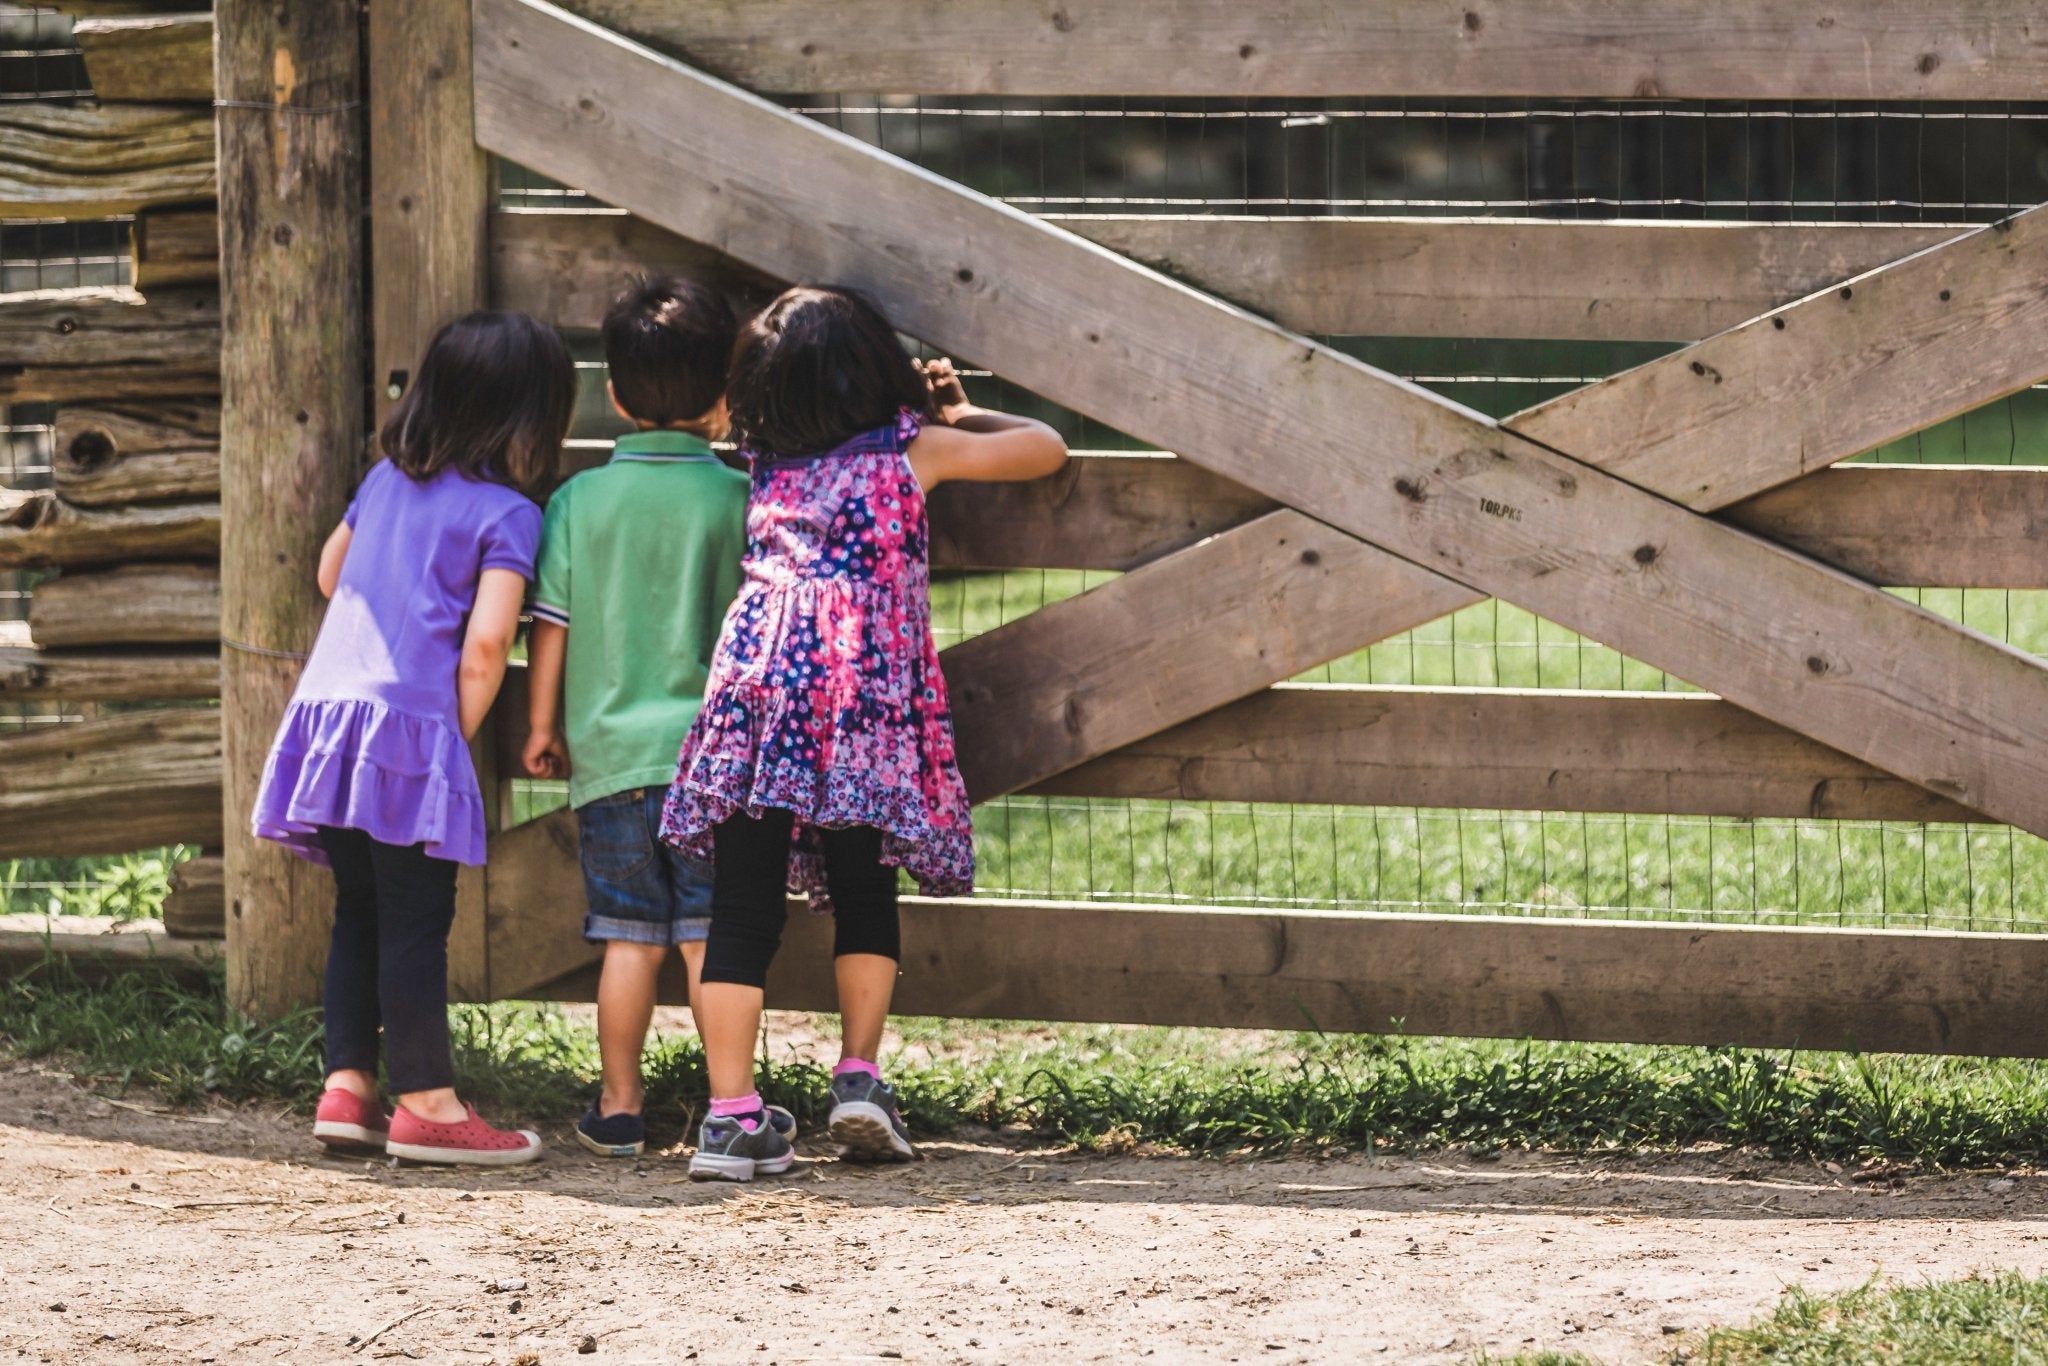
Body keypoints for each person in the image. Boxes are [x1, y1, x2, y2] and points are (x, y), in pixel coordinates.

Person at [661, 285, 1069, 1182]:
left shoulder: (765, 462)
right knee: (863, 885)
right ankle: (857, 1079)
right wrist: (959, 408)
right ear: (873, 373)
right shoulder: (909, 451)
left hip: (757, 692)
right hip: (857, 699)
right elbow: (1046, 451)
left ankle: (729, 1119)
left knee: (740, 905)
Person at [251, 310, 574, 1167]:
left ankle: (348, 1088)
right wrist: (446, 745)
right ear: (534, 417)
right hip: (408, 733)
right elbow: (485, 648)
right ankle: (428, 1104)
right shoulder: (510, 514)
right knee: (417, 923)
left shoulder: (385, 482)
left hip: (327, 723)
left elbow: (329, 573)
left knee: (357, 910)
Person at [522, 276, 792, 1158]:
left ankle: (620, 1105)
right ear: (725, 395)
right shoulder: (739, 498)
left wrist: (540, 728)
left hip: (608, 758)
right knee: (710, 934)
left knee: (628, 938)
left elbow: (550, 628)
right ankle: (730, 1103)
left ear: (614, 393)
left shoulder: (577, 504)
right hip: (713, 765)